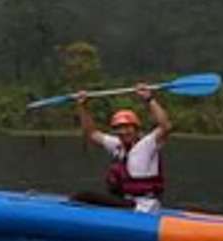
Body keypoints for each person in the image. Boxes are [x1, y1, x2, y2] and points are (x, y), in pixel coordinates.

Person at [74, 83, 172, 212]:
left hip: (144, 206)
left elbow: (166, 126)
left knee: (84, 196)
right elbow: (92, 133)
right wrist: (82, 106)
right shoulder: (117, 145)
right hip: (125, 202)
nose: (123, 132)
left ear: (136, 129)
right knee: (85, 196)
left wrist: (149, 99)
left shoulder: (147, 144)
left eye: (127, 127)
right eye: (119, 128)